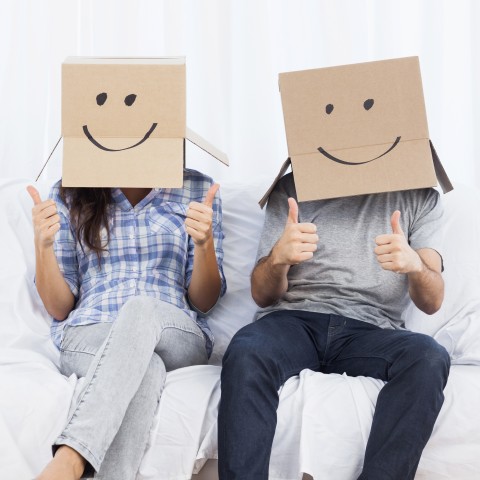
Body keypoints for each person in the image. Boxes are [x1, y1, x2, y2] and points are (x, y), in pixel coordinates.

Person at [218, 172, 450, 480]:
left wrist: (415, 266)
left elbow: (432, 301)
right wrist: (278, 258)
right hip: (294, 322)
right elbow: (262, 295)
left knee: (430, 357)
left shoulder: (420, 196)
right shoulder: (290, 188)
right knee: (246, 349)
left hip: (372, 331)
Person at [28, 168, 226, 480]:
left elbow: (204, 300)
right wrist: (43, 246)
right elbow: (59, 307)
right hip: (91, 331)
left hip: (171, 330)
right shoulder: (68, 191)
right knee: (144, 368)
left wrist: (204, 244)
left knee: (140, 309)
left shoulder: (198, 187)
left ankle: (71, 457)